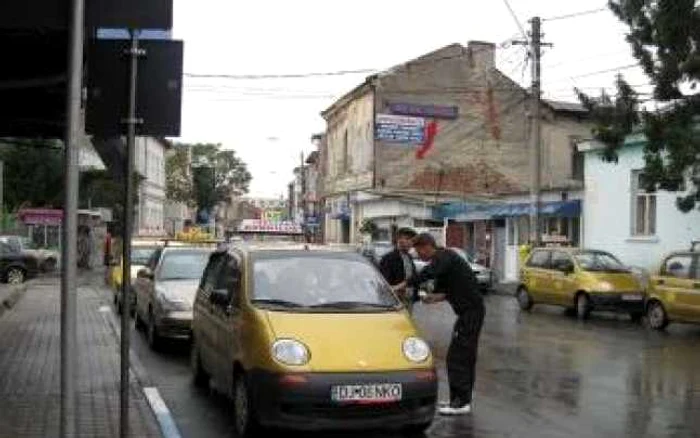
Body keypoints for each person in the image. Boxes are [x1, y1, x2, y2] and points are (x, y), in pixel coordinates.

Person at [394, 232, 485, 415]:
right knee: (463, 356)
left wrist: (401, 285)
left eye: (419, 252)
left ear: (427, 246)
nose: (419, 257)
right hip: (469, 313)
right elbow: (444, 291)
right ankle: (459, 399)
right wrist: (430, 298)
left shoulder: (444, 257)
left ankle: (460, 403)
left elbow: (428, 273)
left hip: (471, 313)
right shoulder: (445, 262)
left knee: (458, 357)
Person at [378, 227, 418, 312]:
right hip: (395, 303)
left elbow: (412, 277)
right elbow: (384, 283)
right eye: (407, 239)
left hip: (408, 301)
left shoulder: (409, 257)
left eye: (412, 240)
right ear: (398, 240)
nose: (410, 243)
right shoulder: (388, 259)